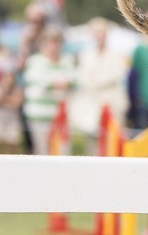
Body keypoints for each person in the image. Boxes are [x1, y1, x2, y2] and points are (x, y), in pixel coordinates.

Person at [69, 17, 130, 154]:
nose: (100, 36)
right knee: (92, 141)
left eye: (102, 33)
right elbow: (83, 77)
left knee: (112, 140)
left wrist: (96, 80)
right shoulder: (86, 54)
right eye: (97, 33)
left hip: (112, 102)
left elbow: (116, 74)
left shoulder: (116, 54)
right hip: (91, 104)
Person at [21, 26, 76, 155]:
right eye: (51, 42)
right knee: (42, 153)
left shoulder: (66, 61)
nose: (54, 46)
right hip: (39, 117)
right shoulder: (35, 62)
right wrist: (59, 82)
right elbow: (42, 82)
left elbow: (74, 79)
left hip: (61, 117)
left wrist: (59, 82)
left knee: (63, 152)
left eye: (57, 42)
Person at [0, 44, 23, 153]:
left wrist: (6, 100)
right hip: (2, 119)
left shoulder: (17, 89)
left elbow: (16, 102)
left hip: (12, 121)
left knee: (12, 145)